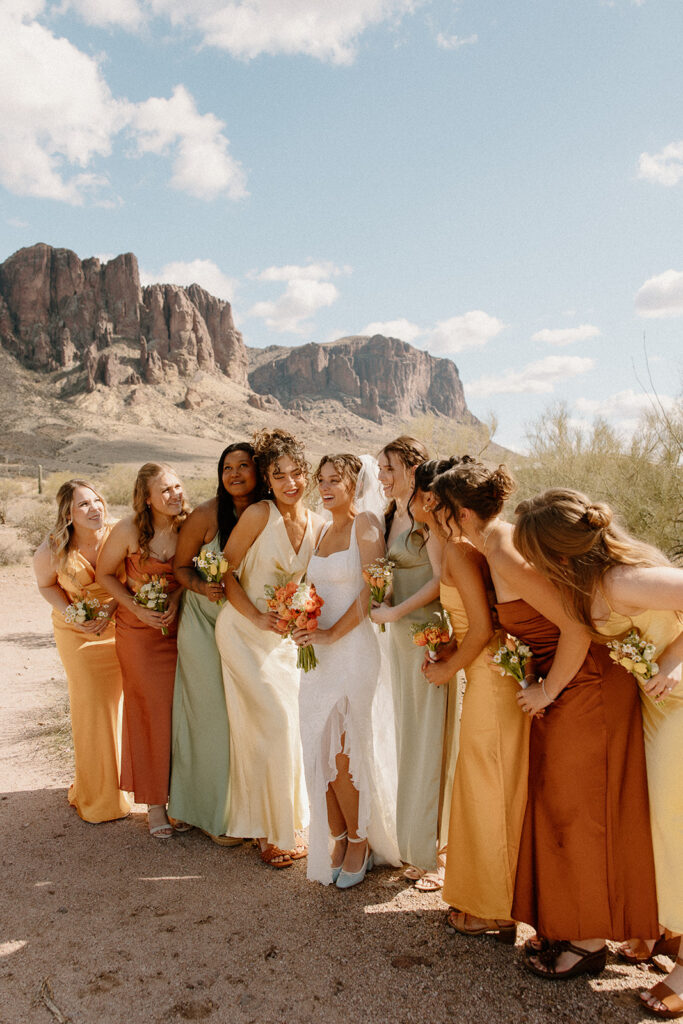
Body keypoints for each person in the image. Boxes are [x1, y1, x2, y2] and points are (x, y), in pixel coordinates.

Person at [436, 460, 659, 980]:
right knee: (560, 807)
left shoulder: (506, 554)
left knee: (579, 812)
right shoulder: (490, 545)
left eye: (441, 509)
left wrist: (545, 689)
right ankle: (577, 924)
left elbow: (577, 626)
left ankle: (586, 943)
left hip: (587, 688)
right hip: (569, 688)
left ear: (461, 513)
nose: (435, 515)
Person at [514, 488, 683, 1015]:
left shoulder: (621, 579)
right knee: (658, 829)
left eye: (532, 553)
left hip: (677, 709)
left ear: (557, 552)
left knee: (676, 830)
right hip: (653, 712)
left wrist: (677, 659)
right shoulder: (587, 579)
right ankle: (663, 930)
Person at [410, 459, 530, 942]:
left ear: (443, 507)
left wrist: (446, 667)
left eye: (427, 499)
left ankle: (494, 910)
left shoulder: (461, 551)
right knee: (485, 789)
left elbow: (483, 628)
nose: (419, 505)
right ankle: (490, 899)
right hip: (485, 674)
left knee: (488, 791)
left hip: (489, 679)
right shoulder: (458, 548)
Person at [215, 429, 322, 868]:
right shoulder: (260, 514)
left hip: (284, 642)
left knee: (287, 726)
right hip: (243, 633)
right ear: (268, 480)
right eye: (279, 475)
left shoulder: (317, 522)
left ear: (308, 476)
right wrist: (257, 616)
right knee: (272, 724)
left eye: (297, 473)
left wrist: (302, 617)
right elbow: (224, 572)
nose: (289, 482)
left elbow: (310, 583)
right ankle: (266, 830)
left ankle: (286, 820)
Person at [294, 454, 400, 887]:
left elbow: (375, 589)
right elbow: (309, 588)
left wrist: (332, 633)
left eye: (335, 480)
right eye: (321, 480)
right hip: (318, 654)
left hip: (352, 648)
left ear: (357, 482)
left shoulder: (367, 525)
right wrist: (298, 619)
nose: (326, 488)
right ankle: (336, 835)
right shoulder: (320, 531)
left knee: (344, 747)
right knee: (318, 743)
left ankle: (361, 840)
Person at [168, 443, 264, 844]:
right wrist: (200, 585)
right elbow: (180, 567)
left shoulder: (269, 513)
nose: (235, 473)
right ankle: (211, 814)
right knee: (211, 715)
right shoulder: (206, 515)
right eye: (228, 467)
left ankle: (254, 808)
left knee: (249, 716)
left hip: (249, 627)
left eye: (244, 466)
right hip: (203, 622)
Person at [370, 436, 453, 889]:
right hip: (397, 637)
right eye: (380, 469)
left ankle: (433, 849)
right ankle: (418, 844)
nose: (381, 477)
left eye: (388, 468)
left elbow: (442, 579)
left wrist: (396, 611)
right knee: (407, 735)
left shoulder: (427, 516)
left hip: (426, 631)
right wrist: (382, 597)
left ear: (411, 467)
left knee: (428, 737)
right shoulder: (390, 516)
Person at [96, 463, 187, 839]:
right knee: (150, 712)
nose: (175, 494)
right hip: (138, 635)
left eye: (178, 486)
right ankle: (154, 804)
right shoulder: (129, 530)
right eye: (164, 490)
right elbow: (104, 574)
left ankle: (185, 798)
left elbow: (190, 574)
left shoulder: (190, 526)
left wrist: (178, 599)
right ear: (146, 498)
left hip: (181, 629)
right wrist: (134, 607)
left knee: (182, 711)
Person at [33, 480, 131, 824]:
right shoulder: (54, 547)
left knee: (121, 709)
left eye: (97, 501)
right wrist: (70, 613)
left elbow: (132, 581)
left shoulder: (119, 534)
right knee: (93, 710)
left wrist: (110, 612)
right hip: (78, 634)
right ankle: (99, 798)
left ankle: (128, 782)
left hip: (119, 624)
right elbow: (46, 585)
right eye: (84, 505)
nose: (95, 509)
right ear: (68, 514)